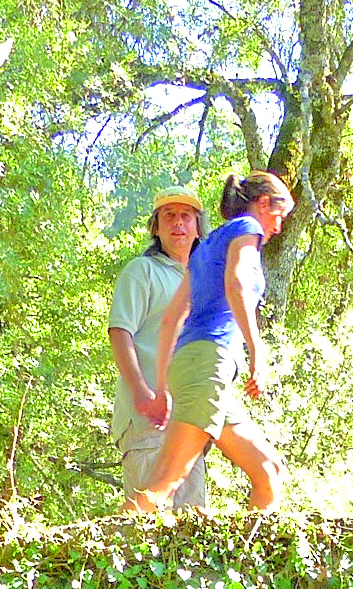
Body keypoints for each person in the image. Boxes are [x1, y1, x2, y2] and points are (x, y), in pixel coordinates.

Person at [126, 171, 294, 515]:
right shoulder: (248, 230)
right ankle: (100, 556)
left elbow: (173, 320)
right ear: (264, 205)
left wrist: (163, 386)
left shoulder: (204, 250)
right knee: (166, 483)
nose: (277, 228)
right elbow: (237, 284)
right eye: (279, 216)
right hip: (209, 364)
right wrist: (257, 352)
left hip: (194, 365)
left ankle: (249, 563)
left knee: (268, 469)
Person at [108, 189, 209, 509]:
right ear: (156, 226)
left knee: (191, 529)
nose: (178, 223)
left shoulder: (203, 280)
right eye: (169, 215)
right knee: (144, 526)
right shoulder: (142, 271)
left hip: (189, 423)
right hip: (148, 421)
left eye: (186, 216)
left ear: (197, 226)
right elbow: (119, 331)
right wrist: (140, 391)